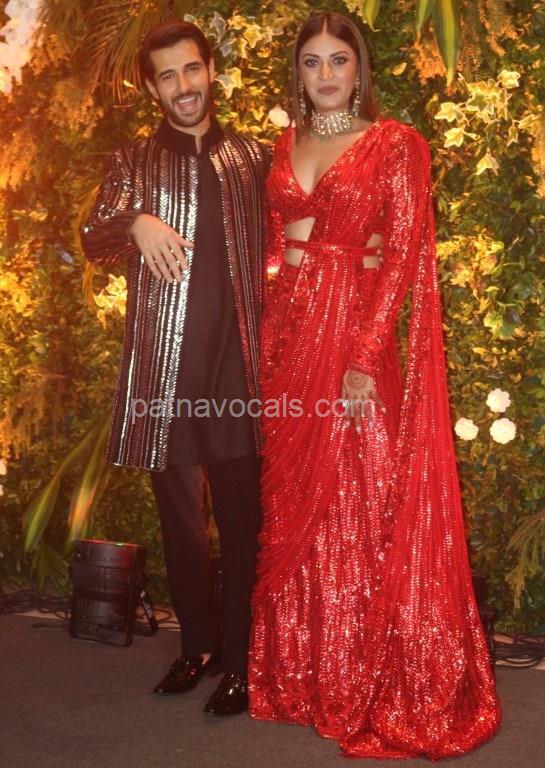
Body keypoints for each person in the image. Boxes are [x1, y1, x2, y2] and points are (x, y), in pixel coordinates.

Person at [248, 11, 501, 758]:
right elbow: (273, 244)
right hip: (285, 336)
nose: (325, 74)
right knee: (291, 504)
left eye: (338, 60)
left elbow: (400, 255)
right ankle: (302, 677)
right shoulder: (283, 145)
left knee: (358, 494)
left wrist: (363, 351)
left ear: (359, 68)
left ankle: (364, 677)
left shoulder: (393, 144)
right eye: (312, 62)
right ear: (297, 73)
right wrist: (264, 320)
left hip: (350, 336)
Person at [81, 20, 270, 715]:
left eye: (191, 70)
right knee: (181, 524)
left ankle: (242, 661)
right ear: (152, 87)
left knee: (244, 525)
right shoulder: (132, 162)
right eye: (167, 75)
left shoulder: (253, 158)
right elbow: (92, 237)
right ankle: (197, 647)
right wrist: (133, 222)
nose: (183, 86)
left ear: (210, 70)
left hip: (238, 369)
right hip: (164, 374)